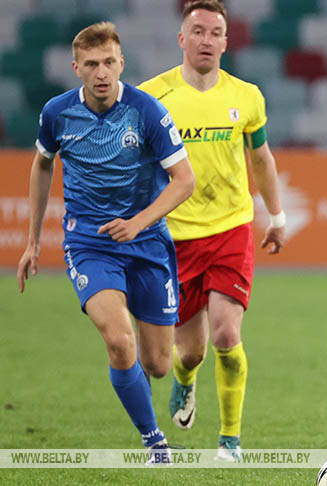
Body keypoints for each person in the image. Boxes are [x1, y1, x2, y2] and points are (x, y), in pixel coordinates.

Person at [16, 22, 195, 464]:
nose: (102, 72)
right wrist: (34, 240)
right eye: (92, 64)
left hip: (148, 242)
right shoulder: (57, 113)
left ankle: (177, 380)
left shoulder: (147, 111)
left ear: (122, 64)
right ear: (76, 68)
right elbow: (42, 165)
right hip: (89, 243)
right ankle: (154, 441)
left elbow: (184, 181)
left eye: (109, 63)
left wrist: (138, 222)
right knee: (119, 342)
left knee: (156, 363)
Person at [138, 0, 285, 461]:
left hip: (231, 228)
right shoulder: (150, 98)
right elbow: (137, 166)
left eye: (215, 32)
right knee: (189, 353)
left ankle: (230, 440)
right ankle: (185, 381)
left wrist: (276, 215)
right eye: (197, 31)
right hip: (173, 237)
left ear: (226, 40)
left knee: (226, 335)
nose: (206, 39)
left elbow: (260, 158)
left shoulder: (247, 97)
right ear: (182, 39)